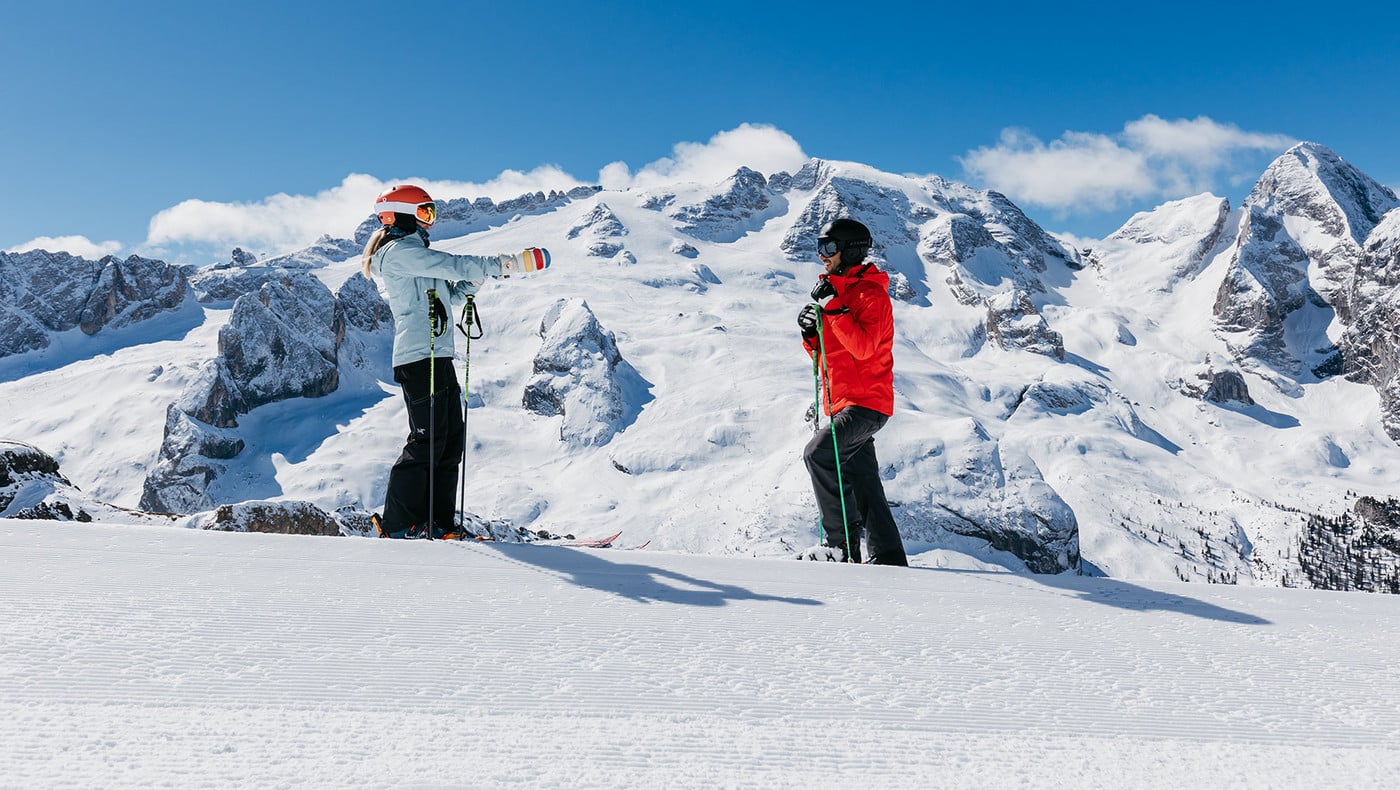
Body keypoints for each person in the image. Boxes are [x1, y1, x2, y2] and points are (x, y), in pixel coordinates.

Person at [361, 184, 552, 539]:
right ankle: (399, 525)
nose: (430, 222)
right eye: (424, 213)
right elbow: (451, 265)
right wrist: (506, 263)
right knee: (426, 439)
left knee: (449, 440)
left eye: (430, 213)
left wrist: (477, 279)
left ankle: (439, 523)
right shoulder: (398, 253)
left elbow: (454, 290)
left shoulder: (417, 255)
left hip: (439, 356)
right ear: (402, 214)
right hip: (418, 360)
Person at [796, 217, 909, 566]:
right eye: (819, 247)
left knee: (819, 454)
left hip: (866, 402)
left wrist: (834, 309)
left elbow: (863, 348)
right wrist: (810, 335)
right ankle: (889, 556)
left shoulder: (870, 295)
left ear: (849, 251)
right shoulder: (837, 295)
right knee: (863, 480)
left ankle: (838, 547)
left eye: (829, 248)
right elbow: (827, 356)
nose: (822, 255)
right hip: (844, 401)